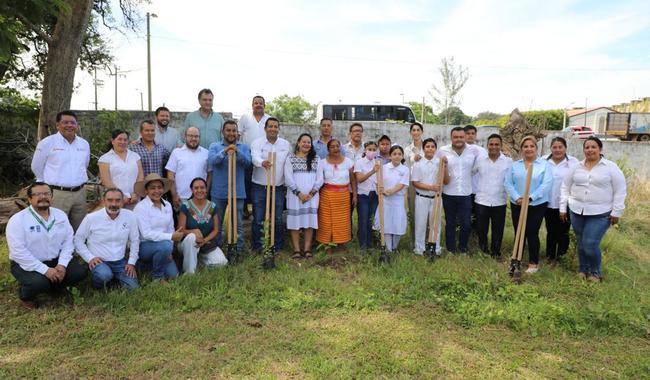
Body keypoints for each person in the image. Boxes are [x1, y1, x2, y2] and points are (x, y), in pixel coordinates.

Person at [6, 182, 87, 308]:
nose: (43, 197)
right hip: (27, 263)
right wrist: (45, 270)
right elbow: (18, 252)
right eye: (38, 194)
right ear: (29, 198)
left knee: (80, 272)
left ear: (51, 197)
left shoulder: (60, 215)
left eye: (46, 193)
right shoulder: (18, 220)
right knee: (39, 284)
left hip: (55, 260)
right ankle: (26, 295)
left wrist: (62, 264)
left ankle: (55, 286)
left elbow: (68, 241)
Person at [560, 136, 626, 282]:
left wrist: (617, 211)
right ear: (584, 150)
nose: (590, 150)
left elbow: (620, 190)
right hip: (577, 211)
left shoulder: (610, 167)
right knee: (581, 242)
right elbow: (565, 186)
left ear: (600, 149)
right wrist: (562, 207)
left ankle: (595, 272)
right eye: (587, 147)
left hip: (600, 213)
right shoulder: (576, 166)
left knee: (590, 243)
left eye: (593, 147)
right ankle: (583, 269)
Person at [31, 110, 90, 230]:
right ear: (57, 125)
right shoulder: (47, 143)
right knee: (56, 228)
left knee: (80, 229)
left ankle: (75, 250)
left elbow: (84, 165)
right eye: (65, 122)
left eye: (73, 122)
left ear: (77, 125)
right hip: (57, 194)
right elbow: (36, 167)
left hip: (80, 194)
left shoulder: (84, 144)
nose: (69, 125)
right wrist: (45, 188)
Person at [74, 188, 140, 290]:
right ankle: (99, 284)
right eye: (110, 200)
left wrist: (131, 263)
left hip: (120, 261)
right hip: (99, 261)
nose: (114, 204)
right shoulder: (91, 218)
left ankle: (112, 279)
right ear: (103, 201)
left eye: (118, 200)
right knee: (104, 275)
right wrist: (90, 258)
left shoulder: (130, 216)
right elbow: (78, 240)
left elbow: (135, 240)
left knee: (133, 288)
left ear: (122, 202)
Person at [504, 136, 553, 273]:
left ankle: (533, 262)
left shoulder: (544, 165)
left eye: (532, 146)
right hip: (517, 203)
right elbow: (508, 182)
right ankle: (516, 260)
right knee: (518, 232)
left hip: (536, 204)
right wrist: (517, 197)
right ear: (521, 149)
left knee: (531, 232)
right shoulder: (515, 165)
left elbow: (546, 184)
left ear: (536, 149)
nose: (529, 149)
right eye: (525, 146)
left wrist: (530, 198)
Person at [208, 120, 252, 253]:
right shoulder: (215, 146)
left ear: (237, 133)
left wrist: (237, 152)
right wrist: (225, 151)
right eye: (228, 130)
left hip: (237, 192)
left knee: (237, 224)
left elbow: (248, 163)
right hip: (218, 192)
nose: (231, 133)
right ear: (223, 132)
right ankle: (217, 251)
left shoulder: (243, 147)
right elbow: (212, 161)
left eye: (234, 131)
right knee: (218, 224)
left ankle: (237, 252)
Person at [250, 117, 291, 253]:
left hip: (278, 187)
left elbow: (289, 163)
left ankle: (277, 246)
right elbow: (254, 157)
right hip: (260, 186)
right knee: (258, 218)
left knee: (278, 218)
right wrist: (262, 162)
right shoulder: (257, 143)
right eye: (270, 126)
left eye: (275, 126)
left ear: (278, 129)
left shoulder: (285, 144)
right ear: (265, 128)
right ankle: (258, 246)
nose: (273, 129)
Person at [133, 174, 183, 282]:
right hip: (145, 246)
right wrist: (170, 238)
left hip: (164, 246)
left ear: (163, 189)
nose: (157, 191)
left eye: (159, 187)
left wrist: (169, 250)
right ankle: (157, 277)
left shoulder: (167, 205)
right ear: (146, 190)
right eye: (152, 188)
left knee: (173, 275)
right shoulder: (141, 207)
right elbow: (146, 234)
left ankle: (148, 267)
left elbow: (170, 228)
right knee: (164, 246)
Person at [438, 127, 480, 254]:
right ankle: (450, 249)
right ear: (451, 138)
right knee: (450, 223)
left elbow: (481, 163)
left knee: (466, 224)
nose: (459, 140)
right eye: (455, 137)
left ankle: (463, 249)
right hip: (448, 193)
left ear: (465, 137)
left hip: (466, 193)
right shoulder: (442, 151)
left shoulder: (474, 151)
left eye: (461, 137)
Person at [472, 134, 512, 258]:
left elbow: (511, 179)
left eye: (497, 144)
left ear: (501, 146)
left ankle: (496, 252)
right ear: (487, 145)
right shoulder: (479, 160)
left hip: (499, 201)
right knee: (482, 229)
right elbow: (470, 173)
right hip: (482, 200)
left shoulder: (508, 161)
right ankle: (484, 251)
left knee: (498, 229)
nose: (494, 147)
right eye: (491, 144)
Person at [284, 133, 323, 259]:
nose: (306, 144)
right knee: (295, 223)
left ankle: (307, 249)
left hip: (311, 198)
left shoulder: (316, 159)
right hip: (295, 197)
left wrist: (311, 194)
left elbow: (320, 179)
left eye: (309, 142)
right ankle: (296, 249)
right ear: (299, 143)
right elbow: (288, 178)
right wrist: (299, 194)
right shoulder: (290, 159)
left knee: (309, 223)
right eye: (304, 142)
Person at [178, 178, 228, 274]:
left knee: (221, 263)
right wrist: (193, 231)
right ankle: (189, 273)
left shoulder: (212, 206)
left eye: (202, 187)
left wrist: (205, 240)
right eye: (196, 188)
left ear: (206, 189)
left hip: (206, 244)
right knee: (192, 237)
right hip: (188, 244)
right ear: (192, 190)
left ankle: (199, 260)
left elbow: (216, 230)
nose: (199, 190)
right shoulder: (186, 206)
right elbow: (180, 230)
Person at [412, 138, 449, 256]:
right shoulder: (418, 163)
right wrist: (430, 187)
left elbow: (447, 181)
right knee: (420, 223)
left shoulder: (440, 163)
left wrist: (445, 165)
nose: (430, 149)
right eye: (427, 146)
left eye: (432, 147)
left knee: (435, 224)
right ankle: (419, 249)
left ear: (435, 149)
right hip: (422, 197)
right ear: (424, 149)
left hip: (436, 198)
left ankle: (436, 248)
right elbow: (415, 182)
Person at [544, 137, 579, 263]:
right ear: (551, 148)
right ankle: (550, 255)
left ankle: (562, 256)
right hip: (548, 203)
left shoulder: (574, 162)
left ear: (565, 148)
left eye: (560, 147)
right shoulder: (544, 160)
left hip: (566, 204)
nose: (557, 150)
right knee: (550, 230)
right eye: (554, 147)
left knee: (563, 231)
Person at [316, 139, 356, 248]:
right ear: (328, 149)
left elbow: (353, 180)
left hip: (343, 196)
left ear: (340, 147)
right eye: (332, 147)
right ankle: (327, 245)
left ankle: (341, 244)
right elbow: (319, 180)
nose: (335, 149)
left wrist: (355, 196)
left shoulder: (348, 162)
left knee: (342, 222)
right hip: (327, 196)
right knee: (326, 221)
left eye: (337, 146)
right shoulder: (322, 162)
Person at [238, 95, 271, 219]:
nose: (258, 105)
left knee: (261, 182)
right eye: (256, 103)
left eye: (260, 103)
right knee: (246, 180)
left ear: (264, 105)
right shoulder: (245, 118)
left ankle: (261, 209)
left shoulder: (269, 118)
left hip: (264, 155)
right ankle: (246, 209)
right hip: (247, 154)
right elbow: (238, 134)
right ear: (252, 105)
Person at [374, 145, 410, 252]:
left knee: (398, 225)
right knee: (386, 225)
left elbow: (402, 184)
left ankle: (395, 247)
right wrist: (382, 191)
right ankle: (389, 249)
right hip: (385, 201)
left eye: (399, 154)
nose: (397, 156)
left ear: (402, 156)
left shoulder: (405, 169)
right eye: (394, 154)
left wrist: (389, 191)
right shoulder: (383, 168)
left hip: (397, 201)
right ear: (390, 156)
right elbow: (378, 182)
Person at [166, 127, 211, 209]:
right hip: (181, 198)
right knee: (181, 221)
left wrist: (206, 194)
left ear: (199, 138)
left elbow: (209, 175)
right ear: (185, 137)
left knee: (199, 221)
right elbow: (170, 175)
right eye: (190, 136)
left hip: (200, 197)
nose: (193, 138)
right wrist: (174, 195)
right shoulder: (176, 152)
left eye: (196, 136)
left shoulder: (206, 153)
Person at [98, 129, 144, 209]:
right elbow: (106, 181)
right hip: (115, 200)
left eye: (125, 140)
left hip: (134, 199)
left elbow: (140, 176)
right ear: (112, 141)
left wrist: (136, 193)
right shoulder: (105, 158)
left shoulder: (135, 156)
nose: (123, 142)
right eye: (119, 139)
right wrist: (121, 196)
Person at [354, 141, 380, 250]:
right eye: (370, 149)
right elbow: (359, 179)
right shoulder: (359, 162)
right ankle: (362, 245)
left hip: (374, 195)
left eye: (374, 150)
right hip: (363, 195)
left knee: (371, 220)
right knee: (363, 220)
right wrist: (373, 171)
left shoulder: (378, 162)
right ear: (365, 150)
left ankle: (370, 244)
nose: (372, 152)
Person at [404, 122, 425, 248]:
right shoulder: (407, 149)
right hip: (413, 183)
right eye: (414, 130)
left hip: (427, 182)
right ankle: (414, 241)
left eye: (418, 130)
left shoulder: (428, 146)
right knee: (413, 211)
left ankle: (428, 239)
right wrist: (414, 158)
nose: (416, 132)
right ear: (411, 132)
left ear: (422, 132)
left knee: (426, 211)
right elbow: (408, 164)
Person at [465, 124, 487, 229]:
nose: (470, 136)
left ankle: (475, 237)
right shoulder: (459, 149)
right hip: (463, 190)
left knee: (476, 216)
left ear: (476, 135)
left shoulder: (482, 151)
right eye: (468, 133)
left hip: (477, 189)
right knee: (463, 216)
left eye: (472, 133)